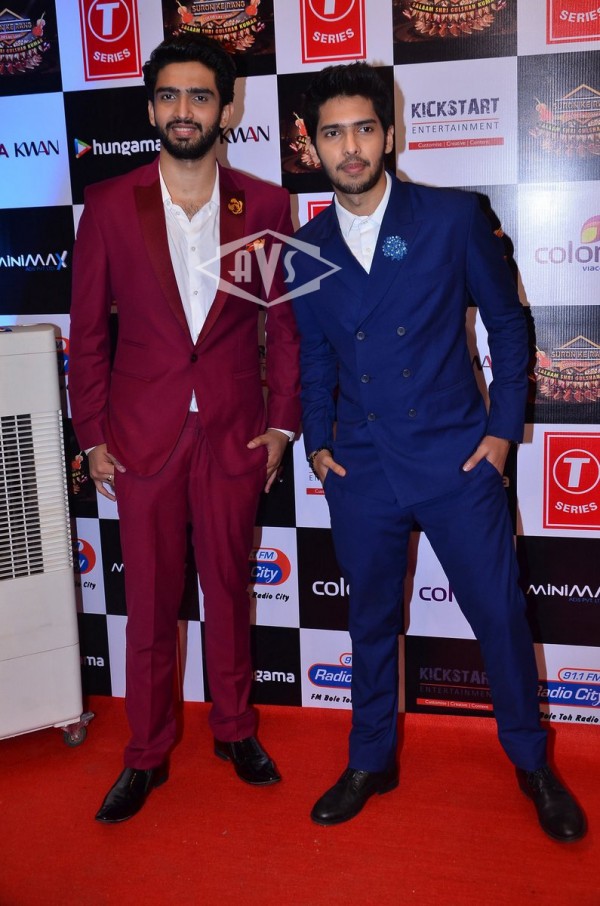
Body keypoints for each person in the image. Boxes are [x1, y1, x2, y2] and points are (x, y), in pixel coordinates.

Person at [291, 62, 585, 842]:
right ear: (311, 145)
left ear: (389, 133)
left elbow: (509, 326)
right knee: (369, 624)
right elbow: (314, 358)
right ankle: (370, 759)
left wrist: (501, 434)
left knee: (499, 615)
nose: (351, 147)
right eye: (333, 133)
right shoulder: (304, 249)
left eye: (364, 128)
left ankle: (532, 762)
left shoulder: (452, 218)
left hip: (457, 460)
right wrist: (319, 446)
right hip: (362, 469)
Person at [69, 34, 300, 823]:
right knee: (150, 605)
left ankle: (235, 730)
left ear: (226, 109)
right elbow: (88, 334)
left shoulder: (263, 206)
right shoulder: (110, 204)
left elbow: (285, 331)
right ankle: (146, 752)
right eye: (168, 95)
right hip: (143, 437)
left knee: (230, 591)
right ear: (150, 109)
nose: (183, 109)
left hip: (234, 433)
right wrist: (92, 434)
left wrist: (282, 428)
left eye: (200, 95)